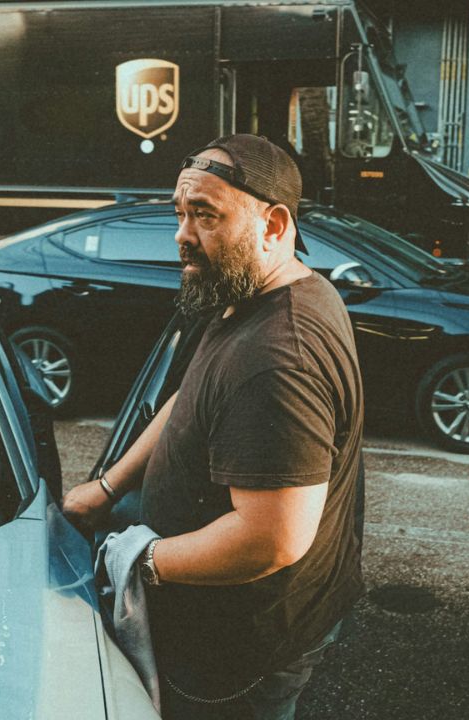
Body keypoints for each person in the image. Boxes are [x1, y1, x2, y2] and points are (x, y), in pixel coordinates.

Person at [63, 134, 365, 719]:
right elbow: (190, 396)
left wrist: (140, 561)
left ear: (273, 225)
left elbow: (270, 538)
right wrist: (109, 487)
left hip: (246, 651)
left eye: (205, 215)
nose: (182, 234)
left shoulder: (280, 357)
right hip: (247, 624)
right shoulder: (253, 293)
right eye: (180, 213)